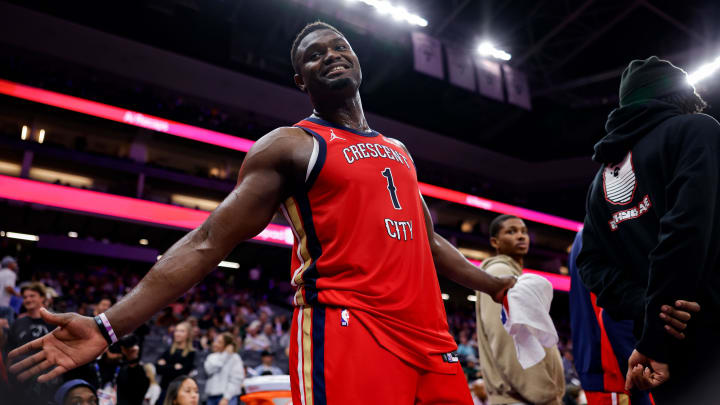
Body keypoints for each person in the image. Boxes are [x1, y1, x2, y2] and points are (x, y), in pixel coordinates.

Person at [9, 21, 514, 404]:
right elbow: (210, 240)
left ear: (358, 63)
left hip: (432, 339)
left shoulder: (399, 149)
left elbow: (426, 240)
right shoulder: (291, 145)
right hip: (349, 328)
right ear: (301, 80)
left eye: (341, 48)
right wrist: (107, 326)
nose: (332, 56)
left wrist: (492, 285)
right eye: (315, 56)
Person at [576, 56, 720, 403]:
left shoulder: (599, 182)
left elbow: (589, 265)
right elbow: (684, 232)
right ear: (676, 94)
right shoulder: (697, 129)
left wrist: (650, 313)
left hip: (661, 354)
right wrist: (658, 328)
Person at [475, 215, 564, 404]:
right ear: (495, 242)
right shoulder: (498, 273)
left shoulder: (513, 275)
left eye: (524, 232)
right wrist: (542, 393)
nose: (521, 236)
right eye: (511, 231)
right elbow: (506, 339)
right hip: (519, 398)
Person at [569, 231, 653, 405]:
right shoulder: (604, 231)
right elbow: (615, 308)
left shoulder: (588, 234)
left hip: (603, 366)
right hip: (614, 369)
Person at [156, 322, 196, 403]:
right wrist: (174, 367)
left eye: (182, 331)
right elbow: (158, 369)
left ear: (188, 335)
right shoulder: (169, 350)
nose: (177, 333)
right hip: (164, 390)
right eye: (176, 331)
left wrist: (166, 366)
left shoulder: (191, 353)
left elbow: (182, 373)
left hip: (178, 393)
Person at [204, 332, 244, 405]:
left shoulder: (235, 358)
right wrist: (225, 355)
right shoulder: (211, 357)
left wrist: (226, 398)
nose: (215, 344)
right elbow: (209, 370)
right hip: (211, 397)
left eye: (219, 342)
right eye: (215, 341)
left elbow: (236, 380)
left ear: (227, 345)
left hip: (228, 398)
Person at [0, 256, 20, 323]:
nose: (15, 264)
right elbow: (8, 287)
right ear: (9, 264)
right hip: (3, 304)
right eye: (14, 262)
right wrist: (18, 294)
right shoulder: (10, 273)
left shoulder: (1, 272)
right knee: (9, 326)